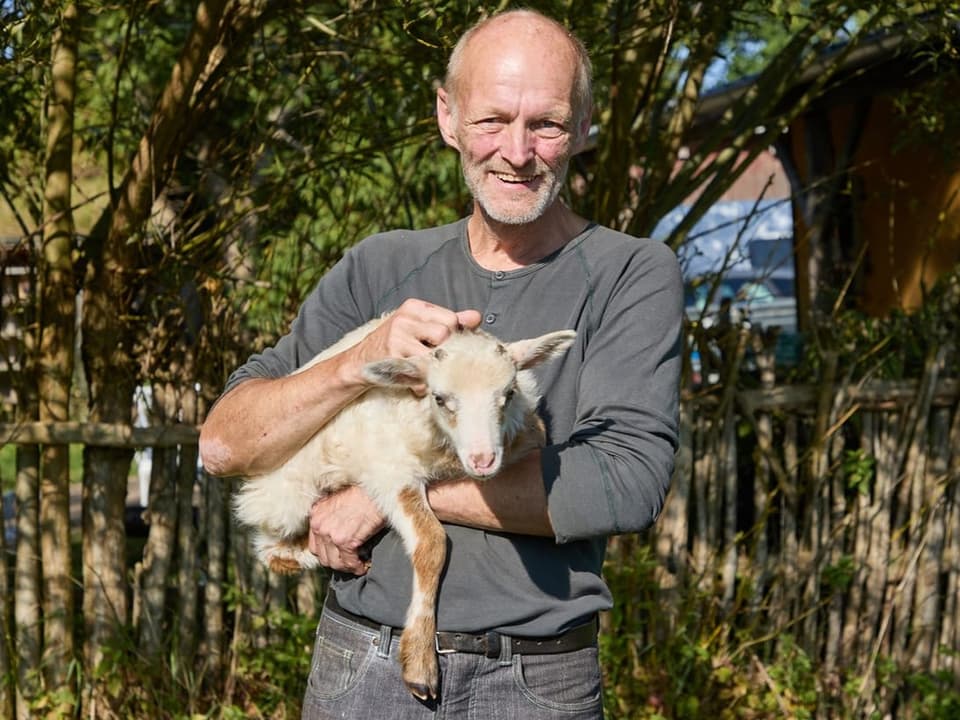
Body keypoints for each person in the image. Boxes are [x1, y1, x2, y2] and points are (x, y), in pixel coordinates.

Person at [199, 9, 682, 719]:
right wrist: (361, 357)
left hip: (535, 679)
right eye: (491, 120)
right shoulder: (381, 265)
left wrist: (385, 490)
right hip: (360, 663)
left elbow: (625, 485)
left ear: (583, 129)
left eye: (545, 124)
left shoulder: (631, 273)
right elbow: (224, 442)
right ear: (447, 117)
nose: (516, 151)